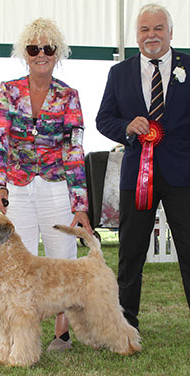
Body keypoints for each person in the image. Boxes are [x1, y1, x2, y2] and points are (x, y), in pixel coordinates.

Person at [0, 18, 92, 351]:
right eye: (34, 49)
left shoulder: (69, 96)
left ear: (57, 52)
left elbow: (75, 150)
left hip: (56, 187)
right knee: (20, 265)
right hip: (17, 188)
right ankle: (23, 334)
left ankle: (61, 333)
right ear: (25, 53)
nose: (41, 55)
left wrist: (80, 205)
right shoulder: (9, 90)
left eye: (48, 48)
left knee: (62, 260)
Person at [96, 3, 190, 331]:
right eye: (144, 29)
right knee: (130, 254)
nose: (151, 35)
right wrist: (126, 126)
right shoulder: (119, 73)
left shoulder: (188, 67)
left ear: (170, 33)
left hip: (184, 177)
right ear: (136, 35)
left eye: (158, 29)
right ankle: (125, 324)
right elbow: (103, 119)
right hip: (137, 176)